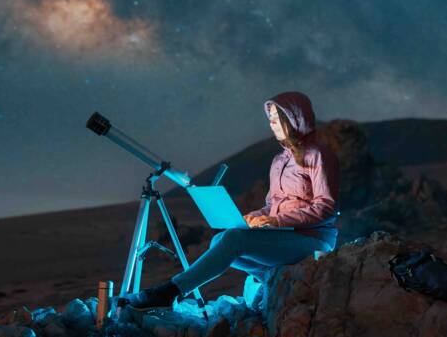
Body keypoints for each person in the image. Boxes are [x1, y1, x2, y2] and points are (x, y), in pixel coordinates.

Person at [120, 91, 340, 311]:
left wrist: (277, 221)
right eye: (269, 119)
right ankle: (270, 277)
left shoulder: (318, 155)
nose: (271, 124)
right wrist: (253, 217)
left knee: (234, 240)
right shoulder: (279, 161)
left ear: (294, 119)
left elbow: (325, 208)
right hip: (282, 236)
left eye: (276, 119)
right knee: (220, 240)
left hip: (312, 239)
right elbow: (272, 205)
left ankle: (170, 291)